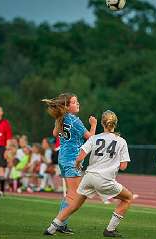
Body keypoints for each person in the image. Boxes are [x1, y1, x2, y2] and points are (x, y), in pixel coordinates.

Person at [44, 110, 132, 237]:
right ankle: (110, 230)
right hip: (105, 179)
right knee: (128, 198)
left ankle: (51, 228)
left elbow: (79, 158)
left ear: (102, 123)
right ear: (115, 124)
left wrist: (78, 164)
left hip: (89, 177)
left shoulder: (94, 138)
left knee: (74, 204)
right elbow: (123, 166)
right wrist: (112, 161)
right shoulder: (121, 141)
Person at [42, 93, 97, 234]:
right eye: (74, 102)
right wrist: (93, 125)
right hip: (72, 159)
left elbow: (55, 133)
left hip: (63, 158)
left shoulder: (61, 118)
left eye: (77, 101)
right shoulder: (75, 121)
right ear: (67, 106)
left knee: (71, 194)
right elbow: (91, 139)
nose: (78, 103)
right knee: (75, 195)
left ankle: (61, 223)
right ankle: (58, 224)